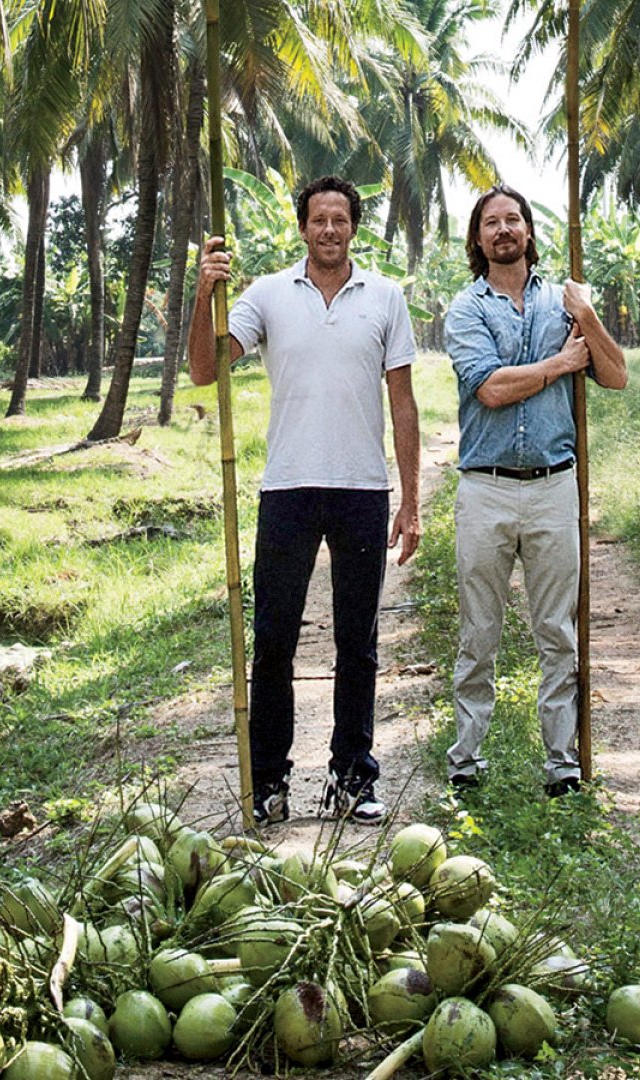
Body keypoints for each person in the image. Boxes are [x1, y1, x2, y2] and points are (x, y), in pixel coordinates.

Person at [188, 175, 422, 827]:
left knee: (359, 643)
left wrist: (411, 500)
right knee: (274, 641)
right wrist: (205, 289)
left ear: (354, 227)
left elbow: (402, 403)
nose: (329, 230)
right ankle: (268, 781)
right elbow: (205, 371)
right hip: (287, 490)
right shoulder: (265, 294)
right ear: (302, 228)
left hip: (363, 491)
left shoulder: (384, 297)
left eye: (339, 219)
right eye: (318, 219)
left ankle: (352, 778)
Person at [444, 184, 627, 797]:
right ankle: (466, 760)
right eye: (491, 223)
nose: (504, 230)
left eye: (513, 220)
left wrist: (589, 317)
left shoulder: (565, 303)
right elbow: (490, 389)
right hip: (486, 487)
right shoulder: (465, 310)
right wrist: (558, 365)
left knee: (557, 629)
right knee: (480, 630)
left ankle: (562, 763)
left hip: (555, 485)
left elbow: (616, 375)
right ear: (478, 239)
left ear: (528, 232)